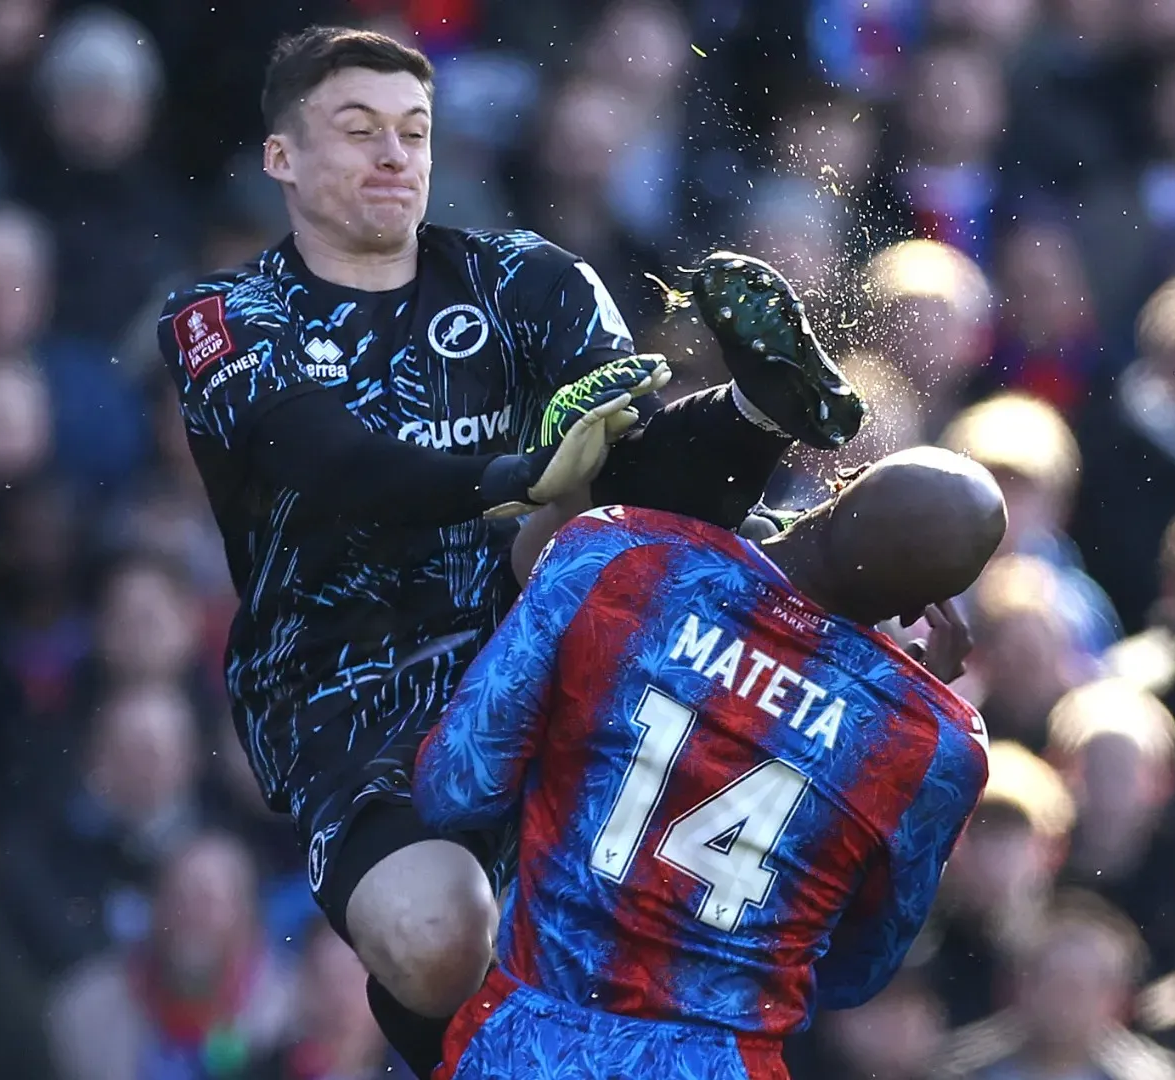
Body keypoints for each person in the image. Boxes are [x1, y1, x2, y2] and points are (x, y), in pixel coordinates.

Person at [155, 25, 863, 1075]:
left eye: (414, 132)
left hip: (547, 665)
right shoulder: (223, 315)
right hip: (347, 700)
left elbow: (635, 488)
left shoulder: (528, 280)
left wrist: (735, 429)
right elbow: (328, 465)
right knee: (442, 946)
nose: (394, 156)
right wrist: (512, 477)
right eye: (358, 132)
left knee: (590, 533)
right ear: (282, 158)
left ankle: (763, 409)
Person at [413, 447, 1003, 1078]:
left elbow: (454, 786)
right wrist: (902, 703)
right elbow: (854, 974)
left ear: (844, 479)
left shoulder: (619, 552)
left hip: (526, 1044)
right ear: (928, 608)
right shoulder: (935, 744)